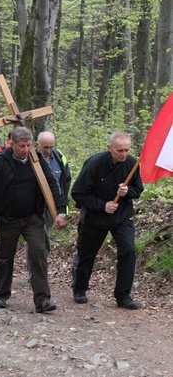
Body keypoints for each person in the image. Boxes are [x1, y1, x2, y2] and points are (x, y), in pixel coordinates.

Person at [0, 126, 68, 313]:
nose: (26, 150)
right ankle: (2, 293)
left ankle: (42, 299)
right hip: (8, 218)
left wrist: (61, 211)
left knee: (39, 252)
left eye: (29, 145)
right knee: (5, 256)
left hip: (32, 217)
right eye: (22, 146)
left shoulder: (37, 161)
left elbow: (53, 185)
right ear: (12, 144)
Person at [71, 131, 143, 309]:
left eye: (127, 150)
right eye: (119, 150)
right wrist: (102, 205)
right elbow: (78, 193)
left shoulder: (132, 164)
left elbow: (138, 189)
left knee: (128, 251)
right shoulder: (94, 164)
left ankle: (123, 295)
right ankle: (80, 288)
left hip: (121, 217)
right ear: (109, 148)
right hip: (95, 217)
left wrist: (128, 193)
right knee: (87, 253)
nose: (124, 154)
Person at [27, 132, 72, 280]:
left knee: (43, 239)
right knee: (37, 241)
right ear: (37, 145)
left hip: (52, 208)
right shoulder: (30, 158)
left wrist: (62, 209)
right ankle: (35, 273)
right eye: (45, 147)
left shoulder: (59, 158)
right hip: (33, 208)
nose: (48, 150)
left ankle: (38, 270)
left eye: (51, 147)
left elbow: (65, 183)